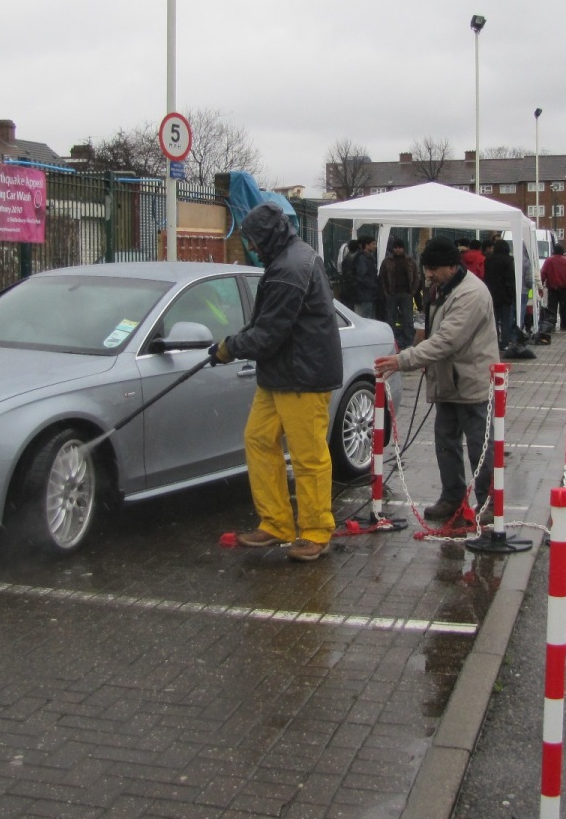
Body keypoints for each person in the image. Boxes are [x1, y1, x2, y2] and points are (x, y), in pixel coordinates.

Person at [213, 202, 344, 562]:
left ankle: (316, 531)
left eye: (253, 241)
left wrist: (228, 348)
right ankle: (276, 523)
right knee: (258, 439)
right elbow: (266, 324)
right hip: (281, 373)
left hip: (304, 375)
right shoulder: (288, 259)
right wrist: (237, 340)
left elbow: (268, 334)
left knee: (308, 456)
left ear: (267, 236)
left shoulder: (289, 269)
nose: (251, 248)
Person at [374, 236, 499, 525]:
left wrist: (405, 359)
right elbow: (434, 334)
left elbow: (447, 339)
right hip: (447, 382)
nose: (428, 274)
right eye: (426, 267)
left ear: (452, 266)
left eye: (433, 268)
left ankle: (490, 501)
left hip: (471, 382)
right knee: (446, 442)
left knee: (480, 445)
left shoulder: (472, 294)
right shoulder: (440, 290)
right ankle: (452, 497)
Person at [378, 235, 421, 349]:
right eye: (395, 248)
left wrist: (412, 292)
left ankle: (409, 343)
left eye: (400, 247)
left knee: (407, 320)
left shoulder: (410, 261)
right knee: (390, 320)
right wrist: (386, 293)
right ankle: (391, 342)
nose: (398, 250)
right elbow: (382, 277)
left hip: (406, 294)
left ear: (403, 249)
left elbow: (416, 277)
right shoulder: (387, 261)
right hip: (392, 294)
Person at [484, 238, 518, 350]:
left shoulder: (488, 260)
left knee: (493, 320)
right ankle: (504, 342)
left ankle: (494, 341)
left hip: (492, 293)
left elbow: (486, 277)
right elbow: (510, 279)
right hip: (505, 295)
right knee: (505, 320)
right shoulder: (508, 260)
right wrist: (512, 294)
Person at [540, 244, 566, 331]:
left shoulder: (548, 261)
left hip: (553, 288)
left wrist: (540, 285)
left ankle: (551, 324)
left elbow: (543, 273)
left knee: (552, 307)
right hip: (564, 289)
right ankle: (564, 324)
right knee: (564, 308)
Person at [344, 234, 380, 319]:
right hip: (365, 294)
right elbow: (362, 277)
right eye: (373, 244)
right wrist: (374, 285)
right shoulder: (362, 259)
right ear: (367, 245)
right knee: (366, 318)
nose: (375, 246)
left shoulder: (367, 257)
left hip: (367, 294)